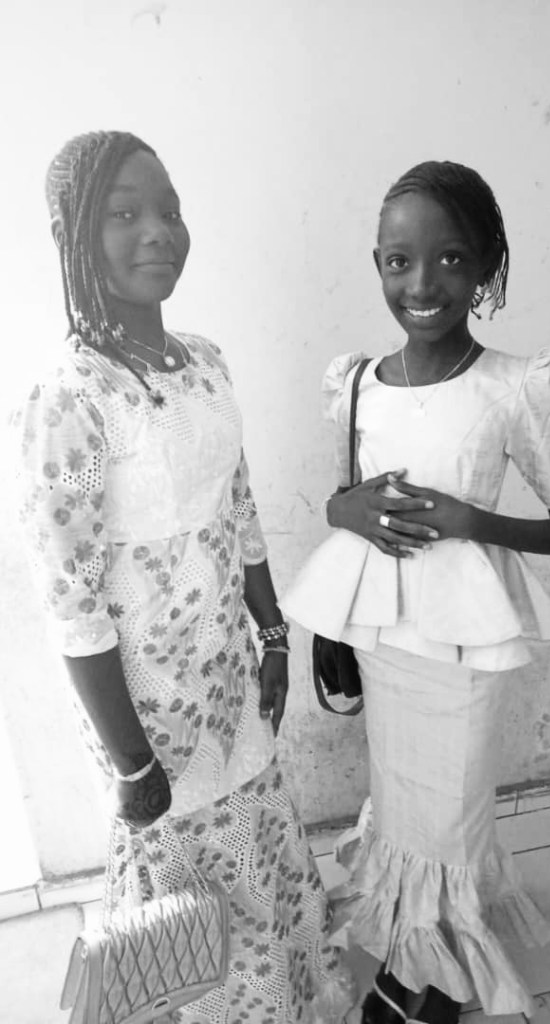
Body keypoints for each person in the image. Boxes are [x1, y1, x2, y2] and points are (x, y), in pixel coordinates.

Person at [14, 130, 356, 1024]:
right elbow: (71, 600)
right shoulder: (73, 400)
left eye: (169, 209)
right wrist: (131, 762)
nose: (157, 231)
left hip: (228, 677)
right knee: (185, 916)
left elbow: (239, 506)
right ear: (72, 238)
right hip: (149, 711)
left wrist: (273, 635)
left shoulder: (204, 361)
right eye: (123, 213)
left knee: (260, 855)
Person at [280, 160, 550, 1023]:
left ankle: (439, 971)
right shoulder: (356, 383)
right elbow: (346, 502)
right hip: (385, 637)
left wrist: (472, 520)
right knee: (406, 803)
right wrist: (344, 514)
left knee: (451, 810)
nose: (422, 283)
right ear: (377, 265)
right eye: (399, 261)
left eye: (450, 258)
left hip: (464, 642)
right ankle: (414, 947)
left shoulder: (517, 387)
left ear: (486, 266)